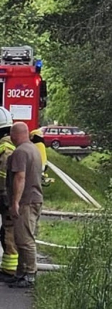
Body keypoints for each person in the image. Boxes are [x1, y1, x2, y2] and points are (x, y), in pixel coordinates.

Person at [6, 123, 42, 289]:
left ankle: (29, 274)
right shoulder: (33, 149)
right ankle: (21, 273)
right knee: (22, 238)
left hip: (26, 201)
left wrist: (15, 202)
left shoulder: (20, 152)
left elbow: (20, 178)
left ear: (15, 134)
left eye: (11, 134)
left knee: (25, 239)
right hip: (34, 198)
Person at [0, 110, 15, 280]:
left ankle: (10, 270)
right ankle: (7, 268)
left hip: (5, 195)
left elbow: (4, 174)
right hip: (7, 195)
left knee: (8, 232)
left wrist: (4, 194)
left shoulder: (6, 147)